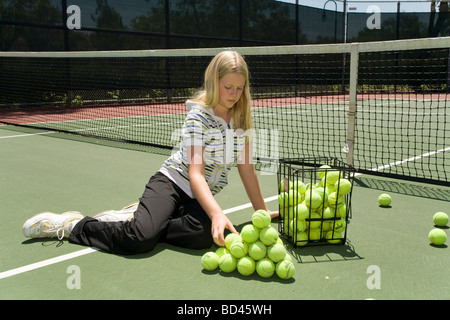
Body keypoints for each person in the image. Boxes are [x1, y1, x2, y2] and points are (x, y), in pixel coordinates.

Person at [22, 51, 278, 255]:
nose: (234, 94)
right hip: (172, 182)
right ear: (214, 82)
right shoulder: (198, 117)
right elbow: (196, 174)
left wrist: (262, 212)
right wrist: (217, 213)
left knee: (202, 237)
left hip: (198, 197)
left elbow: (246, 168)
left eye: (239, 88)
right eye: (227, 87)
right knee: (140, 239)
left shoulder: (242, 119)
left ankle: (146, 218)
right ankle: (73, 226)